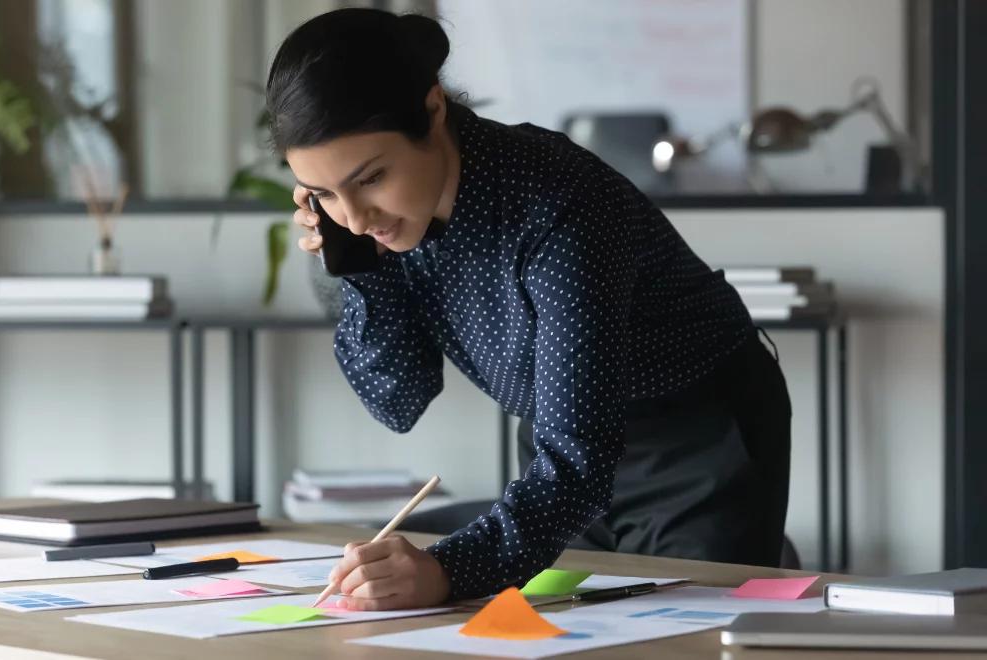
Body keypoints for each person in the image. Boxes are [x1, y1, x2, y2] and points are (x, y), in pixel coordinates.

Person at [267, 8, 792, 610]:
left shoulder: (560, 203)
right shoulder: (372, 228)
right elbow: (397, 399)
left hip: (695, 435)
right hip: (559, 447)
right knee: (556, 637)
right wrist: (354, 265)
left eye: (372, 178)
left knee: (680, 638)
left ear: (433, 111)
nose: (356, 216)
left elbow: (579, 463)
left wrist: (443, 571)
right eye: (325, 193)